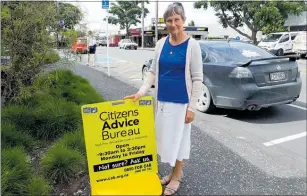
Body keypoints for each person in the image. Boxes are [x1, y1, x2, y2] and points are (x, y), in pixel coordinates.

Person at [123, 2, 203, 195]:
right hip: (163, 102)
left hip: (182, 104)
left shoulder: (192, 45)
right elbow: (152, 71)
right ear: (165, 23)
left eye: (177, 19)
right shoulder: (161, 44)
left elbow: (198, 78)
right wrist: (141, 92)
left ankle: (177, 175)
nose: (173, 23)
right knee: (166, 140)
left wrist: (192, 108)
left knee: (180, 140)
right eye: (169, 20)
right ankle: (173, 171)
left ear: (183, 21)